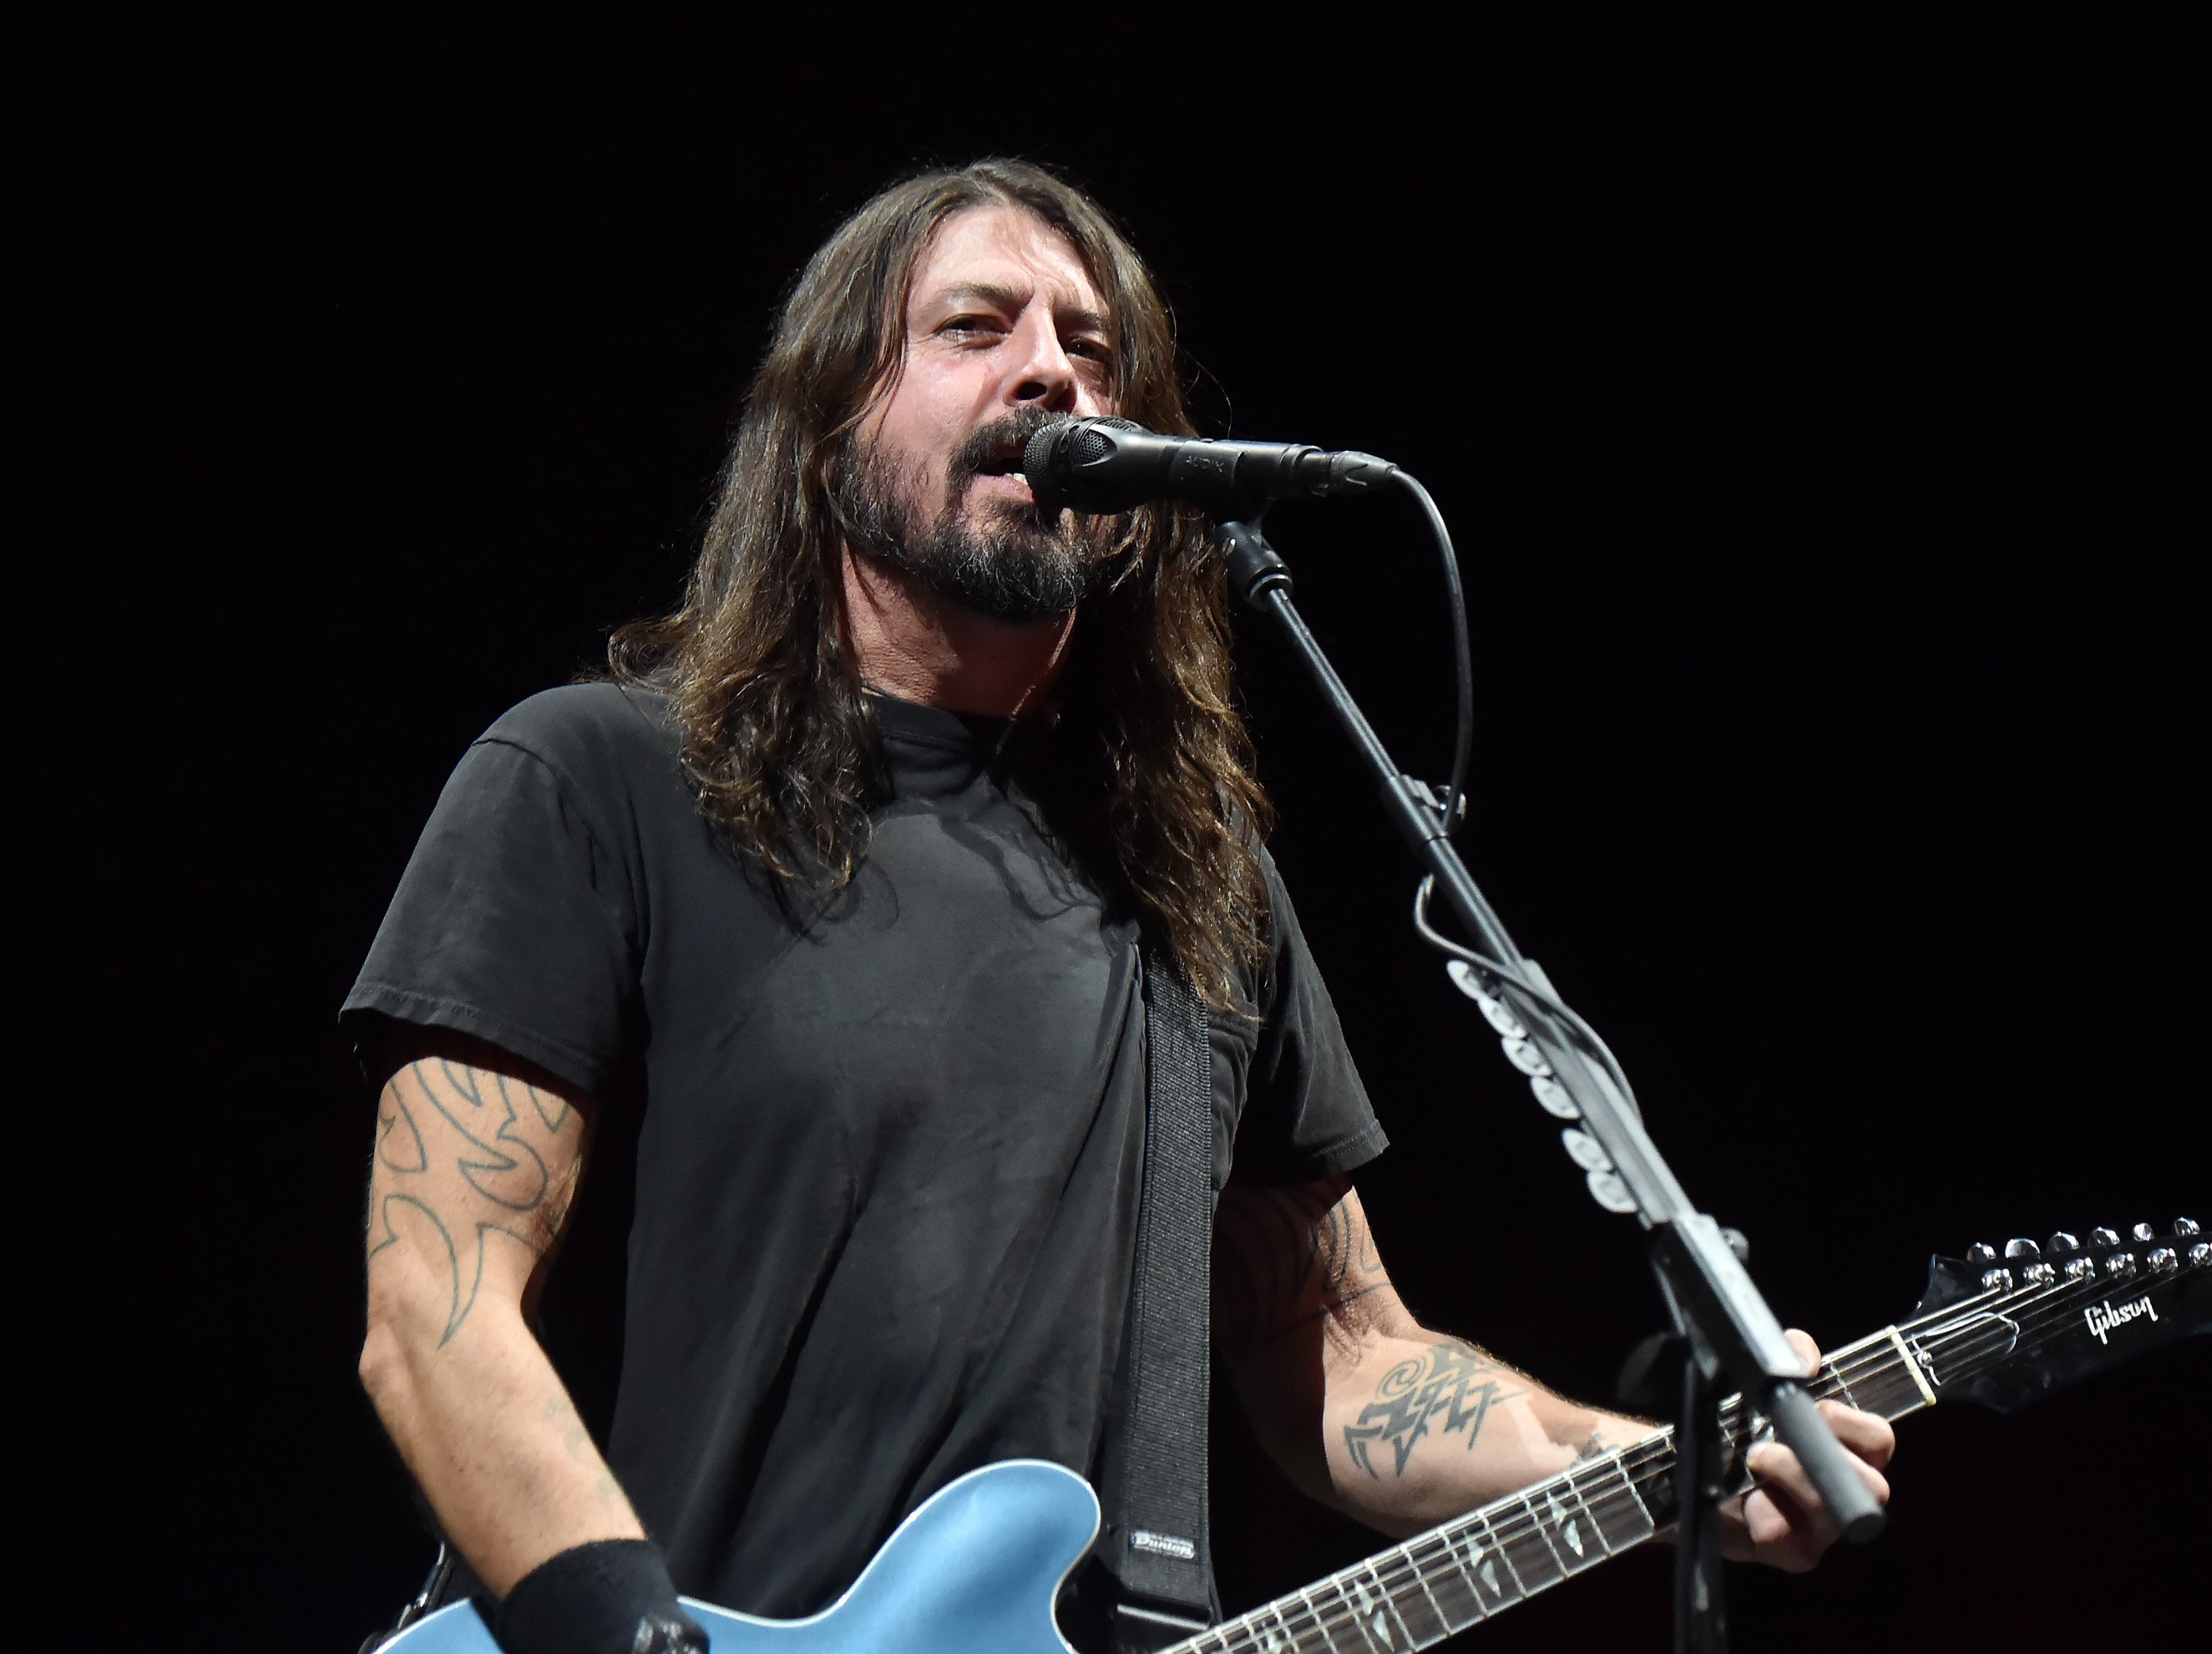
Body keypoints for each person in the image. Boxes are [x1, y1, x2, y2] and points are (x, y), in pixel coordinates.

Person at [350, 159, 1895, 1654]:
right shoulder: (599, 779)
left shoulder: (1192, 878)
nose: (1052, 378)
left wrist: (1654, 1471)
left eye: (1093, 351)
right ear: (823, 431)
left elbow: (1340, 1354)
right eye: (976, 328)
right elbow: (437, 1298)